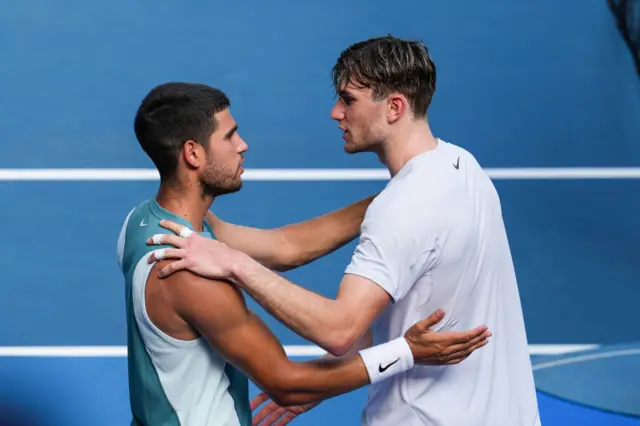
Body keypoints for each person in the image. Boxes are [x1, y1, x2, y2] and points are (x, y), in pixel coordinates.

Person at [148, 36, 541, 425]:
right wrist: (325, 381)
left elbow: (339, 329)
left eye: (349, 100)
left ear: (395, 107)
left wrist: (235, 265)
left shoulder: (403, 208)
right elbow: (291, 250)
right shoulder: (461, 167)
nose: (336, 112)